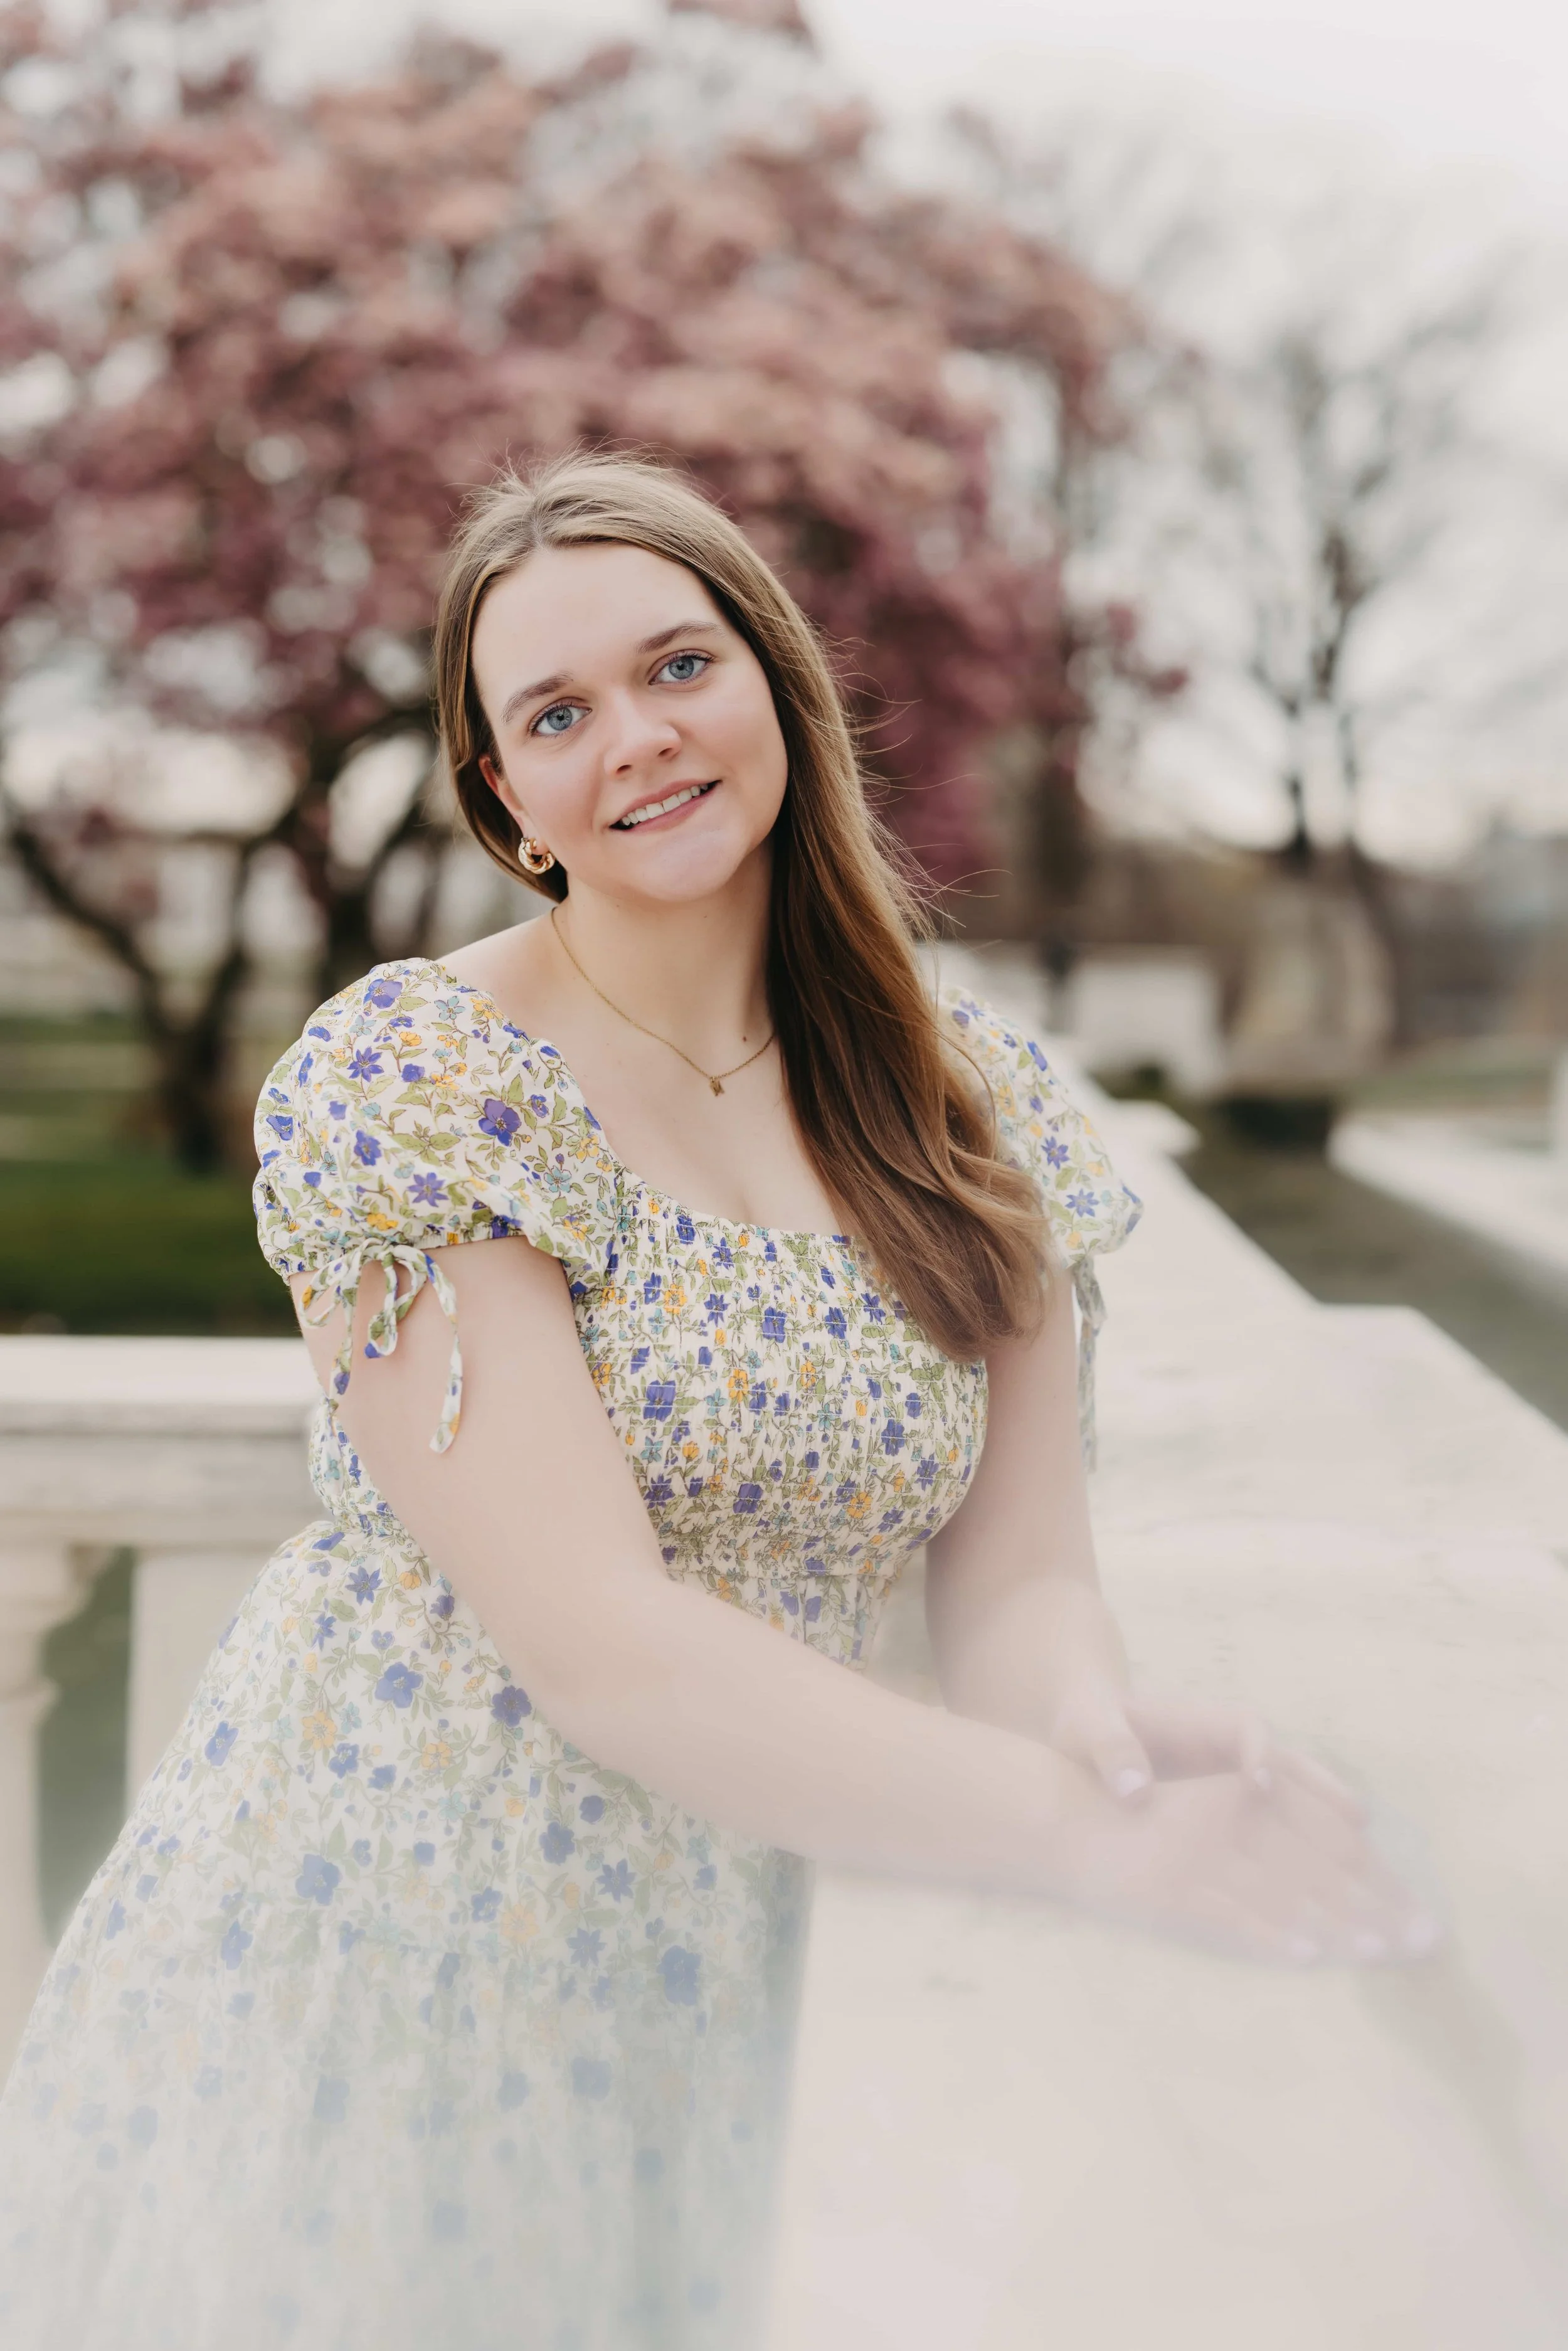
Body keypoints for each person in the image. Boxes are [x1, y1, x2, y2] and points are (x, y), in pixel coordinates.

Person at [0, 453, 1434, 2350]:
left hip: (765, 1902)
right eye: (558, 713)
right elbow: (595, 1640)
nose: (639, 740)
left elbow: (1009, 1580)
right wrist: (1078, 1831)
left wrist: (1091, 1729)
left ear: (775, 680)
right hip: (415, 1938)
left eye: (679, 665)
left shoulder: (958, 1094)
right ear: (507, 794)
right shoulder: (417, 1080)